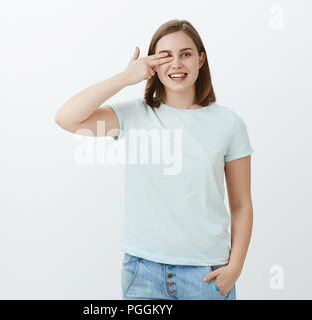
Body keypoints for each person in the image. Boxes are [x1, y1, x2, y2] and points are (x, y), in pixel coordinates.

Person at [55, 19, 254, 300]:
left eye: (185, 54)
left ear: (201, 59)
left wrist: (235, 268)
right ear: (153, 65)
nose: (176, 64)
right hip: (142, 272)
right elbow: (66, 118)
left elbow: (242, 204)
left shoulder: (228, 123)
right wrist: (125, 77)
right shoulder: (134, 115)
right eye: (165, 56)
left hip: (206, 274)